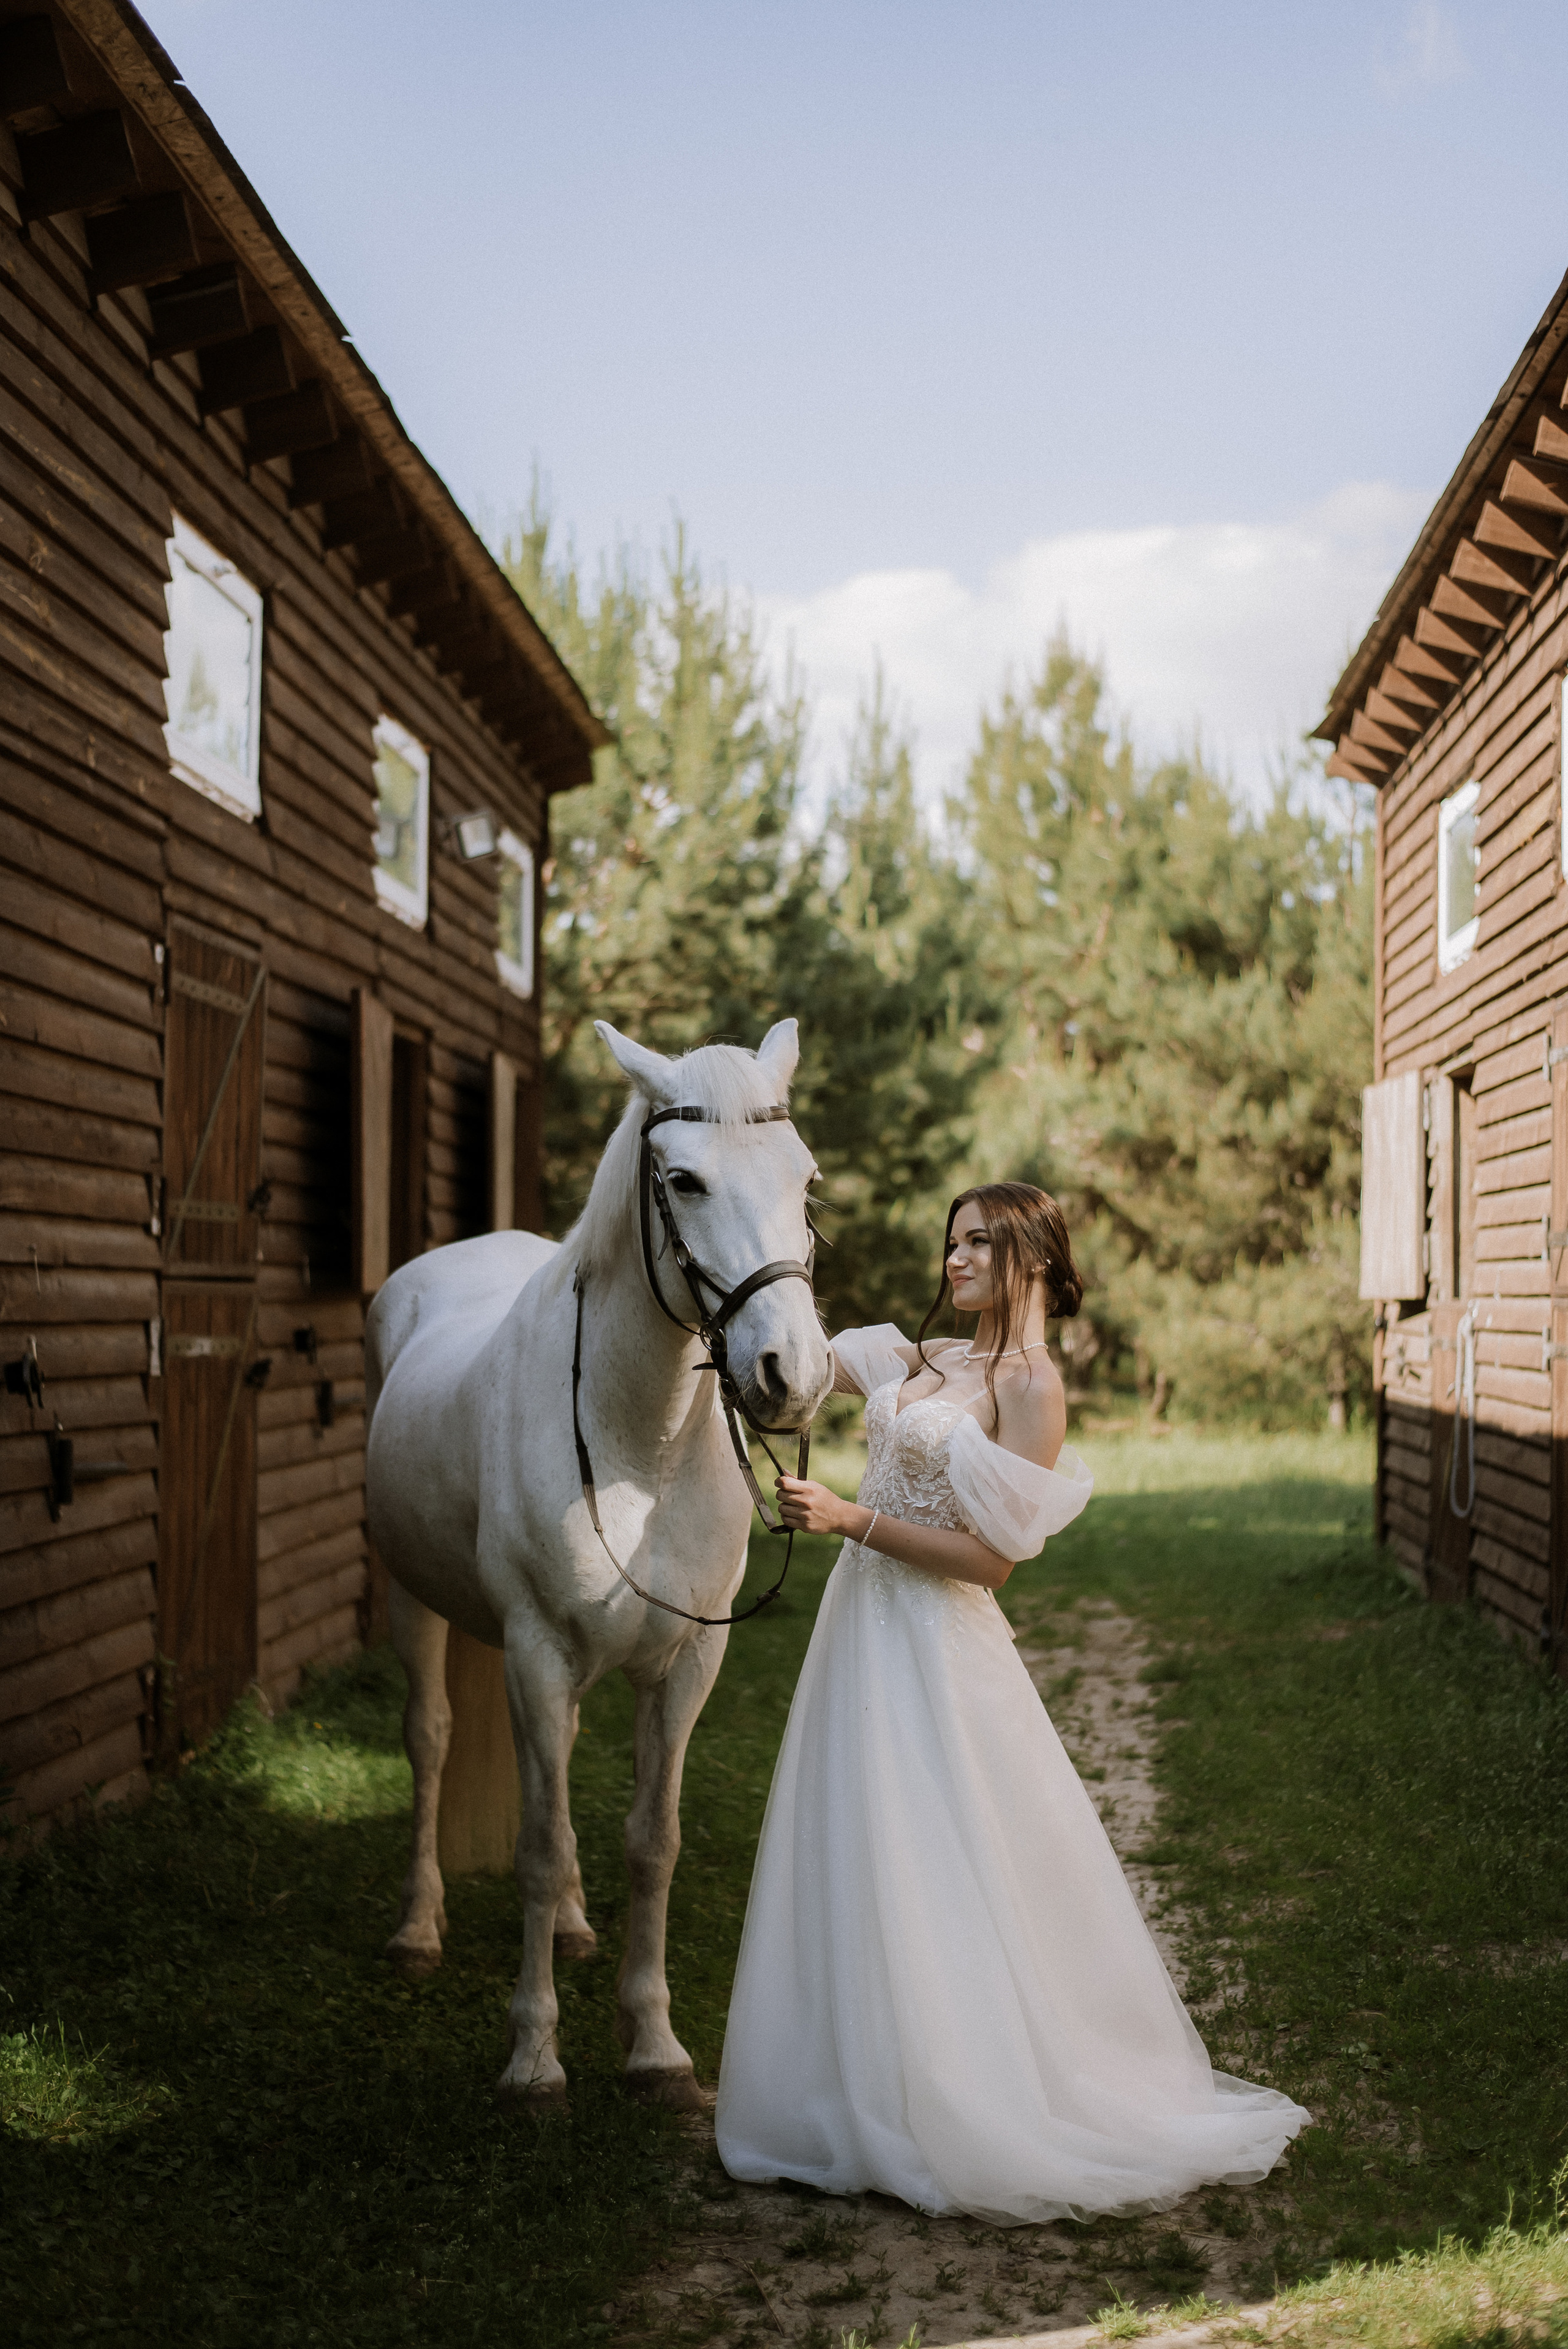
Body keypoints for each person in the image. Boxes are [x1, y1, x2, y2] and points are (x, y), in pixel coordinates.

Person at [714, 1182, 1308, 2225]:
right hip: (857, 1633)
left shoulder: (1033, 1388)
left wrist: (852, 1516)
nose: (956, 1258)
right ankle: (851, 2085)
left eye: (979, 1243)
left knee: (943, 1851)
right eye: (951, 1241)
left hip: (939, 1644)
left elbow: (990, 1564)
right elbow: (791, 1359)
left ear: (1030, 1256)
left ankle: (966, 2089)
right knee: (854, 1842)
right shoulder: (918, 1355)